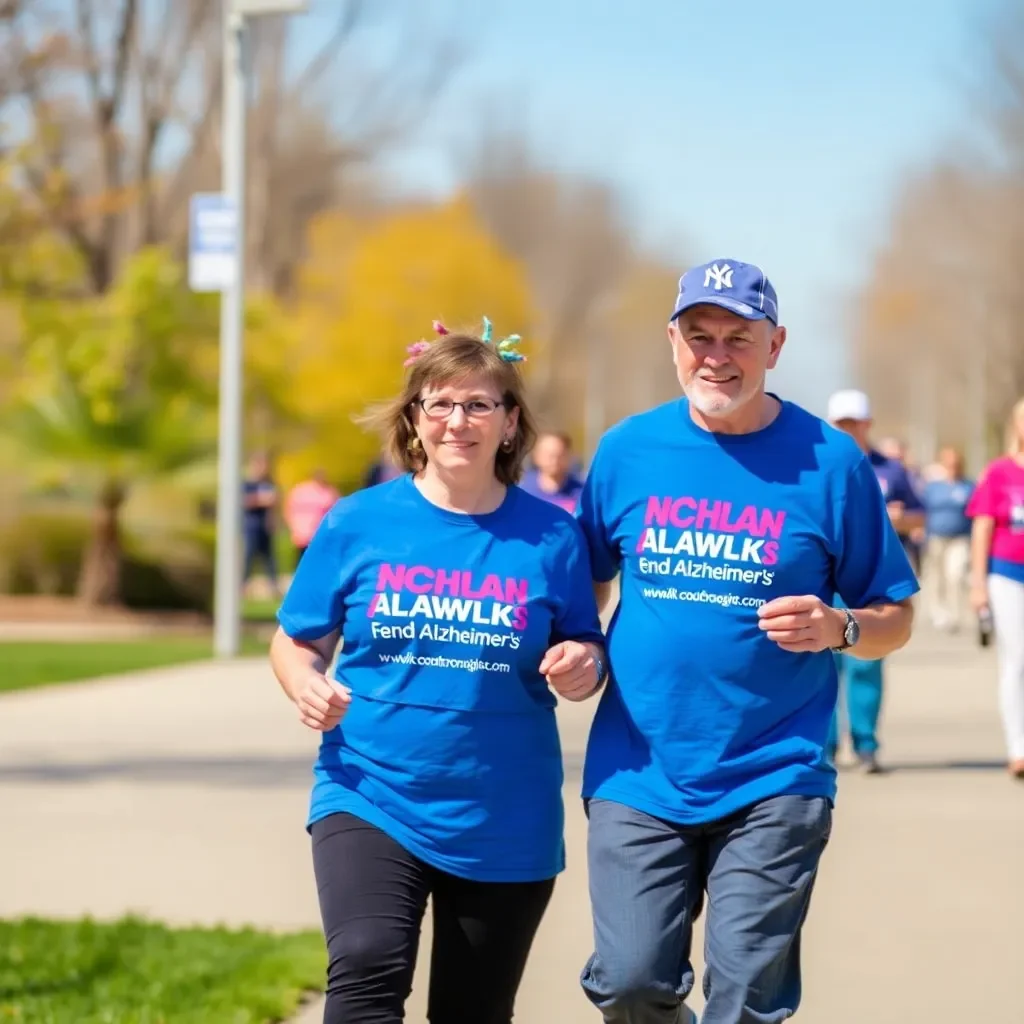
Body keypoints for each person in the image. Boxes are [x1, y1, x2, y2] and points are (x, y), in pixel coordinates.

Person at [574, 259, 918, 1024]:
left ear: (776, 345)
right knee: (630, 982)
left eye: (738, 337)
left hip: (775, 772)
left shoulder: (831, 463)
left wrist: (842, 628)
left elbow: (894, 613)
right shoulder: (627, 452)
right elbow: (587, 583)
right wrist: (583, 649)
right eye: (699, 336)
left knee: (746, 1001)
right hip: (639, 769)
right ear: (672, 342)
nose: (716, 355)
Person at [269, 319, 606, 1024]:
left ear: (511, 423)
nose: (459, 421)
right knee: (363, 963)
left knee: (472, 1012)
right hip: (369, 789)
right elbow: (294, 640)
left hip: (504, 808)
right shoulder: (356, 522)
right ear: (415, 421)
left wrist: (582, 663)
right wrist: (306, 684)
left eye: (480, 404)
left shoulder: (551, 537)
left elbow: (585, 642)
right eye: (441, 404)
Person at [825, 389, 924, 772]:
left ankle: (865, 744)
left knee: (867, 660)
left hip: (874, 576)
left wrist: (901, 519)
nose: (850, 430)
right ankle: (826, 747)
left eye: (855, 423)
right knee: (824, 660)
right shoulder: (820, 465)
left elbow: (920, 516)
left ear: (867, 424)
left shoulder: (890, 469)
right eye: (842, 423)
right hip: (828, 575)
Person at [967, 396, 1024, 780]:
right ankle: (1019, 747)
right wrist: (977, 584)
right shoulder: (1000, 472)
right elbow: (983, 527)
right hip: (1007, 576)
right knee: (1018, 660)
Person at [921, 447, 974, 631]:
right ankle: (938, 612)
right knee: (937, 577)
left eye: (956, 464)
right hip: (936, 536)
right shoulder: (933, 487)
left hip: (960, 538)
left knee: (956, 574)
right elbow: (923, 510)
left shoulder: (968, 486)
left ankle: (955, 614)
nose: (953, 468)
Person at [283, 469, 340, 566]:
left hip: (316, 533)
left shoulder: (328, 492)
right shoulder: (303, 491)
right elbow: (290, 508)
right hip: (305, 533)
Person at [520, 430, 586, 512]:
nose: (555, 460)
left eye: (560, 455)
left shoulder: (582, 493)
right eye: (549, 455)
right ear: (536, 456)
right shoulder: (522, 492)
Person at [243, 452, 279, 595]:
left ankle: (273, 586)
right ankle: (243, 585)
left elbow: (274, 503)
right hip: (251, 526)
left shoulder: (269, 483)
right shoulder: (248, 483)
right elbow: (243, 501)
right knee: (248, 557)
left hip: (265, 527)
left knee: (269, 558)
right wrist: (260, 500)